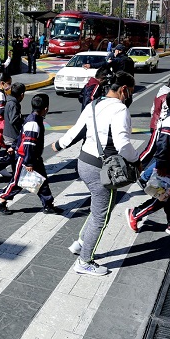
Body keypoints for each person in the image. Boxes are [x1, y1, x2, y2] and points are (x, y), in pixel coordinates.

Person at [52, 72, 139, 275]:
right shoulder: (120, 109)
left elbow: (76, 130)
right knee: (101, 215)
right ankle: (84, 262)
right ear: (124, 89)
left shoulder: (94, 104)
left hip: (84, 163)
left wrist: (59, 144)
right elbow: (123, 144)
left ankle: (81, 243)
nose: (130, 97)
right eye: (130, 92)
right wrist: (137, 159)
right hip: (103, 169)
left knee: (97, 209)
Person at [125, 89, 170, 235]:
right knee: (164, 196)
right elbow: (163, 144)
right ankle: (136, 213)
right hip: (168, 167)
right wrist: (161, 165)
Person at [0, 93, 63, 216]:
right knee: (17, 182)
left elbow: (21, 135)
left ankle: (48, 205)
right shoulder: (34, 123)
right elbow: (29, 144)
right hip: (27, 158)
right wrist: (28, 162)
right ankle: (1, 201)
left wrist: (14, 147)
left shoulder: (32, 118)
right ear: (46, 108)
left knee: (42, 181)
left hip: (33, 158)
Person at [0, 82, 25, 181]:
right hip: (12, 134)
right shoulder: (14, 104)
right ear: (21, 94)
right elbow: (13, 119)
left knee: (12, 156)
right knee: (12, 156)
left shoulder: (8, 100)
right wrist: (23, 119)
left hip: (8, 133)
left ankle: (15, 175)